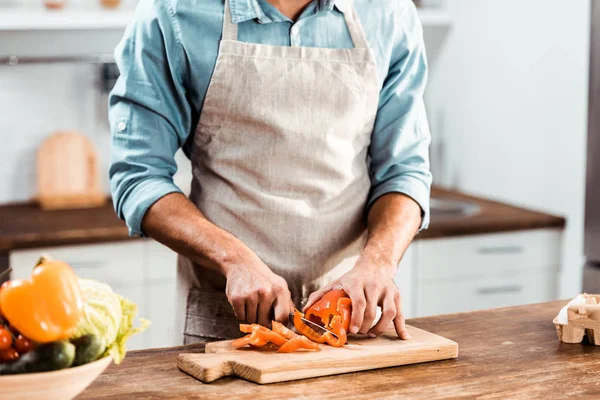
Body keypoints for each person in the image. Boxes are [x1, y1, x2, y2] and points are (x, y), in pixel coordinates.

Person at [109, 0, 432, 344]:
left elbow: (404, 171)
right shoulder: (173, 13)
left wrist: (378, 264)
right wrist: (233, 260)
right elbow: (139, 176)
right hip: (226, 316)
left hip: (350, 315)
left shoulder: (388, 13)